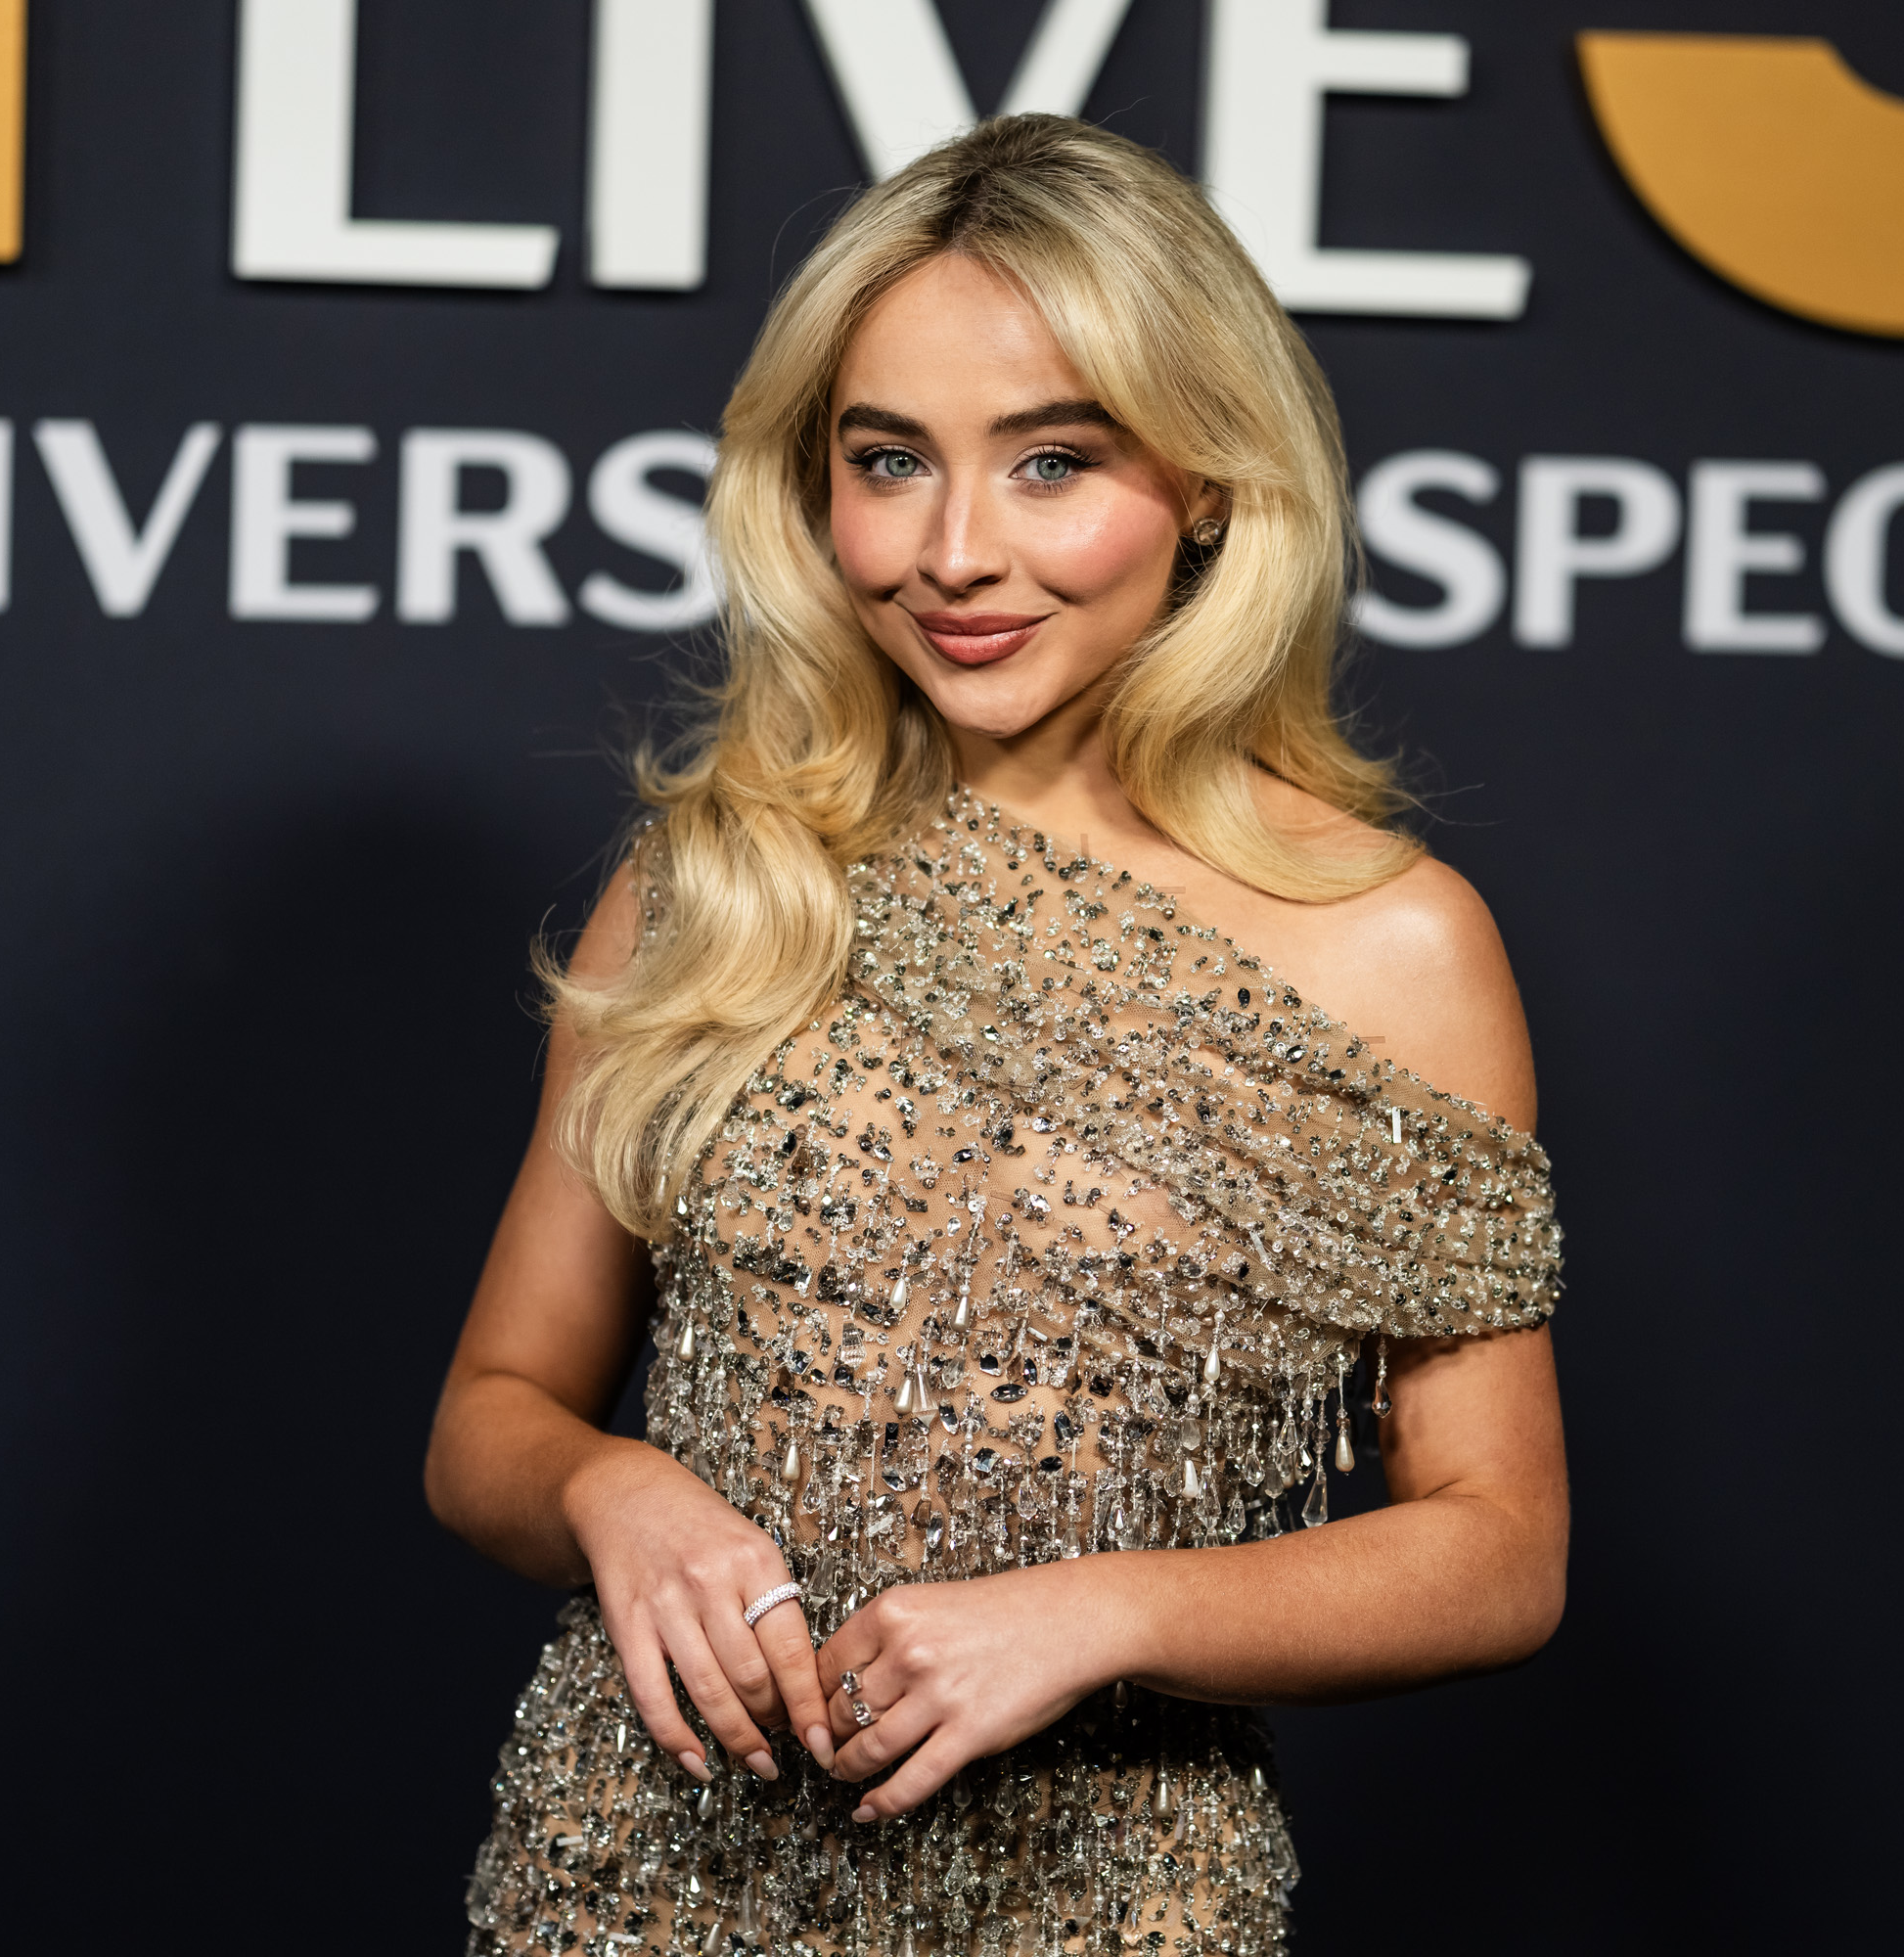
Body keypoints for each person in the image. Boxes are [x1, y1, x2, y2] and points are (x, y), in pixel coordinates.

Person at [427, 114, 1568, 1957]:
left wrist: (1104, 1611)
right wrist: (608, 1490)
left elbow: (1500, 1551)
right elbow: (488, 1425)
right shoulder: (721, 884)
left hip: (1112, 1899)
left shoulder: (1390, 945)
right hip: (634, 1874)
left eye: (1052, 463)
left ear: (1208, 484)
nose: (958, 553)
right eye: (891, 462)